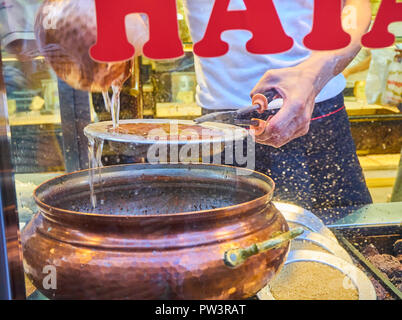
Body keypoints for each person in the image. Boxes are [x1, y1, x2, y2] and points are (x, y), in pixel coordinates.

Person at [183, 0, 374, 221]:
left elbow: (355, 4)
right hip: (224, 125)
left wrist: (313, 74)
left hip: (321, 112)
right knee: (222, 243)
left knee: (347, 239)